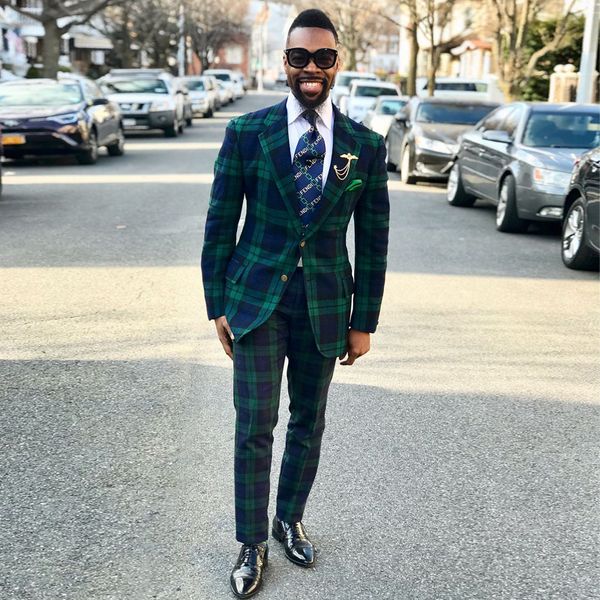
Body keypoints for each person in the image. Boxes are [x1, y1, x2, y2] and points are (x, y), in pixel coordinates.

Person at [201, 8, 389, 598]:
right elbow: (219, 225)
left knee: (309, 421)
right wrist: (216, 305)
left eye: (324, 57)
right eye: (300, 57)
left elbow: (375, 241)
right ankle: (251, 541)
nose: (312, 68)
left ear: (337, 63)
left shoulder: (365, 145)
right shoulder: (246, 134)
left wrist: (365, 321)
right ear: (284, 63)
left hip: (326, 306)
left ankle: (289, 518)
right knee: (255, 424)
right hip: (256, 302)